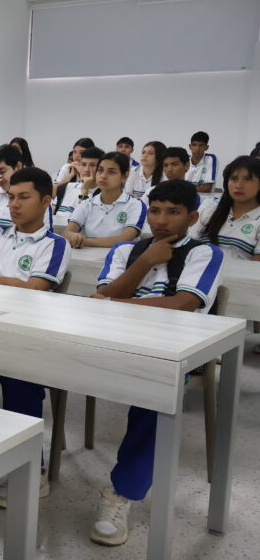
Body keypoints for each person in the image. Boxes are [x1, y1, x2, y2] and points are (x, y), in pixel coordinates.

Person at [89, 178, 224, 547]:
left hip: (172, 351)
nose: (161, 219)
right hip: (115, 340)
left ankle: (121, 494)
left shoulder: (204, 253)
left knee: (155, 392)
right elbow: (106, 292)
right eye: (155, 210)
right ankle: (30, 468)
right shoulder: (126, 251)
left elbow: (184, 304)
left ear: (192, 216)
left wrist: (112, 303)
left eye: (173, 212)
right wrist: (145, 261)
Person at [0, 167, 70, 508]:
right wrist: (12, 283)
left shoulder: (55, 244)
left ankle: (30, 469)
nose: (14, 205)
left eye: (24, 197)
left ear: (46, 201)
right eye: (11, 197)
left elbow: (35, 291)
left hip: (25, 334)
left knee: (20, 375)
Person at [63, 152, 146, 249]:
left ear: (125, 176)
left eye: (111, 172)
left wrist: (84, 240)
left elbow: (124, 239)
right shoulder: (86, 204)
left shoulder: (136, 205)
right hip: (86, 261)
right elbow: (67, 233)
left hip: (121, 262)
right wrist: (72, 236)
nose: (103, 176)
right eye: (100, 170)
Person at [190, 156, 260, 261]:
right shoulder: (210, 212)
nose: (239, 185)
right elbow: (188, 248)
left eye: (247, 179)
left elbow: (255, 270)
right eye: (233, 179)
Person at [54, 146, 103, 226]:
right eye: (83, 164)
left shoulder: (103, 195)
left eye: (92, 165)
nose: (87, 169)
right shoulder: (66, 187)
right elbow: (51, 216)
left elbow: (82, 222)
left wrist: (84, 190)